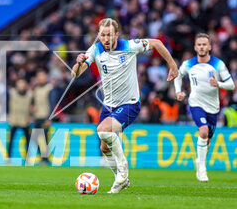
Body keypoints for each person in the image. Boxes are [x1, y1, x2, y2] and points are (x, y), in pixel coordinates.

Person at [71, 18, 178, 194]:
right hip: (109, 105)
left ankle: (123, 169)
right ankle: (121, 180)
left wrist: (172, 65)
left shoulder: (129, 46)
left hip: (129, 104)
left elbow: (157, 43)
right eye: (103, 35)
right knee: (104, 147)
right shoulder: (95, 49)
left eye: (109, 35)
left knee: (103, 130)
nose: (106, 38)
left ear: (116, 35)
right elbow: (75, 74)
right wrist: (79, 63)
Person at [174, 33, 235, 182]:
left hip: (213, 107)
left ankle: (199, 161)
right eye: (199, 45)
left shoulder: (218, 64)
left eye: (204, 44)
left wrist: (218, 84)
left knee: (206, 140)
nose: (201, 47)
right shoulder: (188, 64)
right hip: (196, 103)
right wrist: (178, 91)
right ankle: (202, 169)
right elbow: (178, 76)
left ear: (209, 47)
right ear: (195, 47)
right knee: (203, 132)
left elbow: (231, 84)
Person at [8, 78, 32, 161]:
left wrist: (31, 116)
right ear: (16, 84)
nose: (21, 85)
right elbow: (6, 105)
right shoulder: (12, 93)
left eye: (23, 83)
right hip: (14, 120)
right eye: (19, 83)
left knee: (28, 140)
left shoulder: (30, 94)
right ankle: (8, 158)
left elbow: (33, 106)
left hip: (25, 121)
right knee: (11, 140)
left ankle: (28, 158)